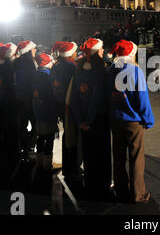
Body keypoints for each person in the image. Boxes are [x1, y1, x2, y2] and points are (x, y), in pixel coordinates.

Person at [107, 39, 154, 203]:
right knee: (136, 157)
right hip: (133, 121)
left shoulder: (111, 70)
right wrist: (148, 120)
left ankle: (120, 190)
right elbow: (142, 99)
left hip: (115, 119)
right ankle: (138, 193)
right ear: (131, 54)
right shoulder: (135, 71)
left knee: (118, 157)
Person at [70, 38, 111, 199]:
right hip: (97, 119)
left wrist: (80, 119)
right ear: (96, 52)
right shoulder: (100, 70)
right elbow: (96, 97)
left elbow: (74, 97)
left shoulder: (79, 69)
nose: (103, 52)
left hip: (84, 119)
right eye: (100, 49)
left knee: (88, 152)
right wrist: (89, 120)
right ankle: (103, 185)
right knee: (101, 152)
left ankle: (90, 181)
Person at [50, 41, 79, 183]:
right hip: (71, 107)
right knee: (72, 138)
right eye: (74, 51)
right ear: (70, 53)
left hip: (60, 105)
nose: (76, 53)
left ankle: (68, 166)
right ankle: (72, 168)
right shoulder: (72, 66)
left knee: (67, 135)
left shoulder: (56, 65)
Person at [31, 52, 58, 194]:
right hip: (47, 111)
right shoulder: (47, 75)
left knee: (41, 136)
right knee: (49, 137)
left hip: (37, 109)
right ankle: (47, 164)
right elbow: (50, 95)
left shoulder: (35, 73)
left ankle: (40, 160)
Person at [14, 41, 38, 159]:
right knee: (35, 125)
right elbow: (32, 83)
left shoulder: (16, 62)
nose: (35, 51)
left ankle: (23, 147)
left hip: (19, 99)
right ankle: (30, 147)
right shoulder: (29, 64)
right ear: (28, 51)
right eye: (34, 49)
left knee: (22, 125)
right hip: (29, 99)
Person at [0, 43, 19, 168]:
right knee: (11, 125)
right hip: (10, 98)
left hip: (3, 97)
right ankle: (12, 151)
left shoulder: (0, 65)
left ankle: (6, 147)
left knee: (6, 123)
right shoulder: (10, 65)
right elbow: (12, 83)